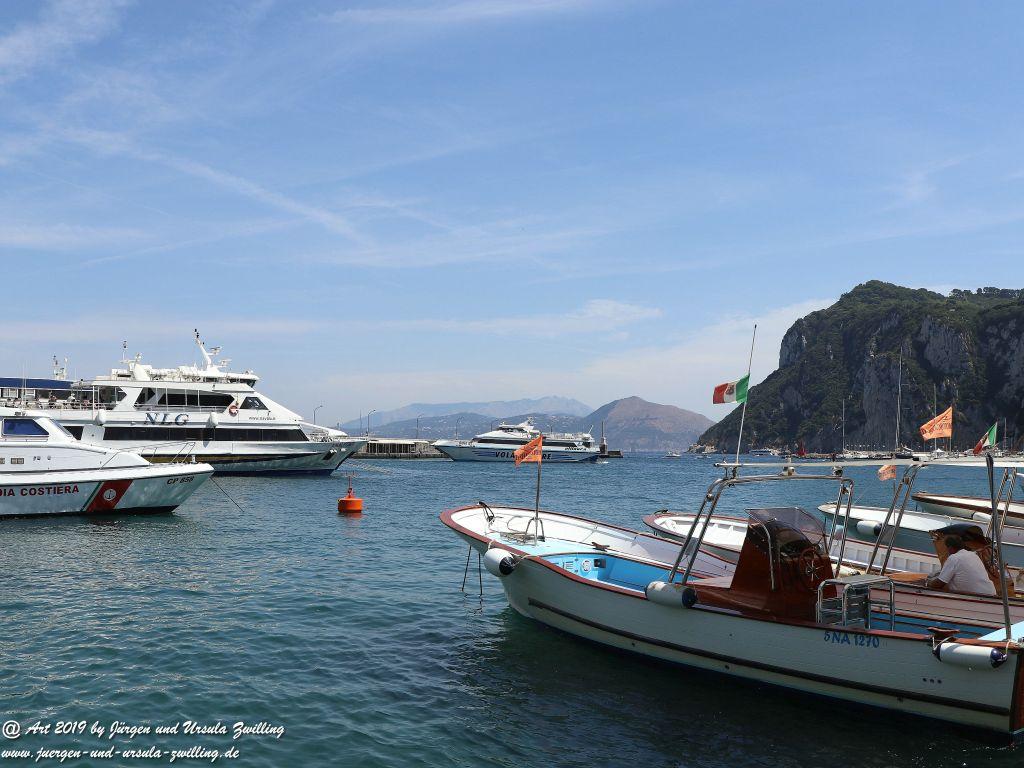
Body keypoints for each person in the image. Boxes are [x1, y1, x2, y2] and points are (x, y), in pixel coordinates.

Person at [926, 535, 997, 596]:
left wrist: (928, 583)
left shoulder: (953, 558)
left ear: (950, 548)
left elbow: (939, 583)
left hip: (978, 598)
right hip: (991, 593)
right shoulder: (973, 555)